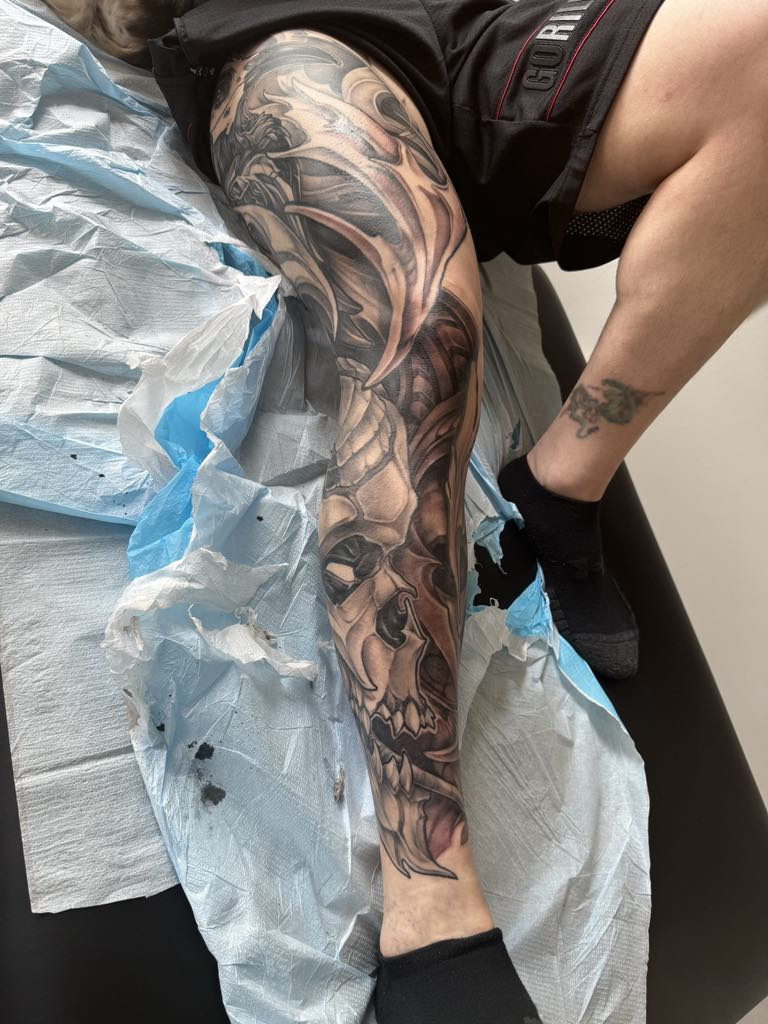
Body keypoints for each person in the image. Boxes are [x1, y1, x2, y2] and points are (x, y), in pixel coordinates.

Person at [44, 1, 768, 1020]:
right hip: (292, 30)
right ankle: (430, 900)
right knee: (423, 321)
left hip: (480, 25)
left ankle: (562, 486)